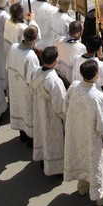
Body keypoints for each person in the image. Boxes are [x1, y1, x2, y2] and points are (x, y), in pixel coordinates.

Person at [63, 60, 103, 206]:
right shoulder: (99, 97)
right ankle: (101, 197)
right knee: (95, 163)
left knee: (82, 158)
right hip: (92, 137)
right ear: (96, 75)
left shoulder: (74, 86)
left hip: (76, 131)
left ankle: (82, 186)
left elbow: (65, 107)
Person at [31, 46, 67, 176]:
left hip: (39, 109)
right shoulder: (54, 80)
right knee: (53, 139)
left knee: (42, 135)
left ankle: (43, 160)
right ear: (55, 60)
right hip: (51, 115)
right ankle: (55, 167)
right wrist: (66, 116)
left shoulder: (36, 72)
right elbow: (60, 104)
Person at [7, 25, 40, 147]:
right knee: (28, 113)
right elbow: (33, 80)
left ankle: (22, 136)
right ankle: (30, 141)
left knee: (20, 110)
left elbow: (8, 66)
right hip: (26, 90)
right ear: (35, 38)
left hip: (15, 85)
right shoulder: (31, 56)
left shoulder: (13, 47)